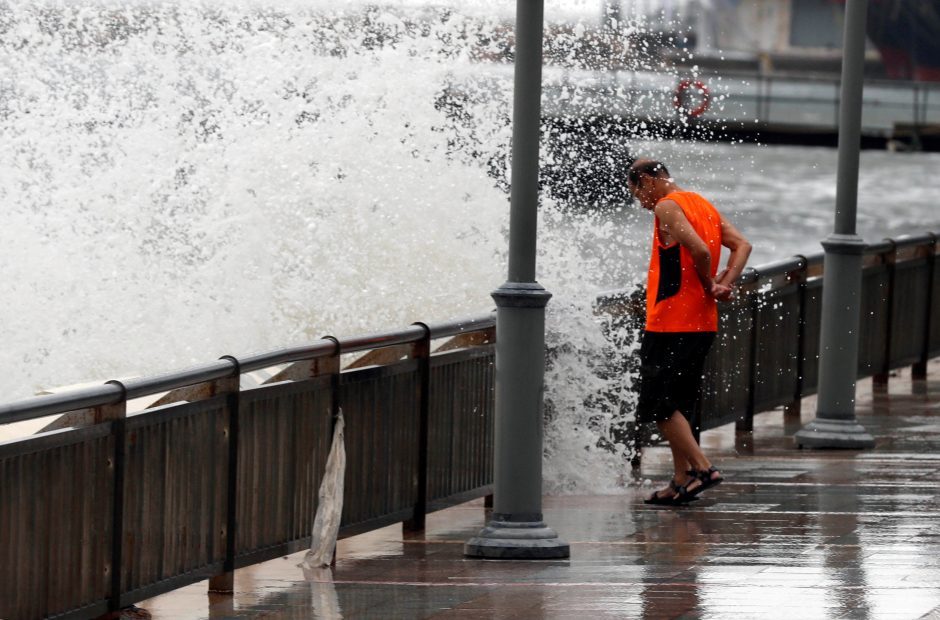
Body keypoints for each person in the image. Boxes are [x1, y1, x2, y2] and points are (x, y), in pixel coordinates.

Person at [627, 159, 752, 505]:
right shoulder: (701, 203)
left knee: (657, 405)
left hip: (670, 322)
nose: (639, 201)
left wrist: (710, 282)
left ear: (650, 181)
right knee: (678, 405)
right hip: (702, 323)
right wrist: (724, 285)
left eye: (637, 191)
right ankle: (680, 481)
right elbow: (743, 245)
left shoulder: (667, 206)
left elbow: (697, 249)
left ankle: (702, 469)